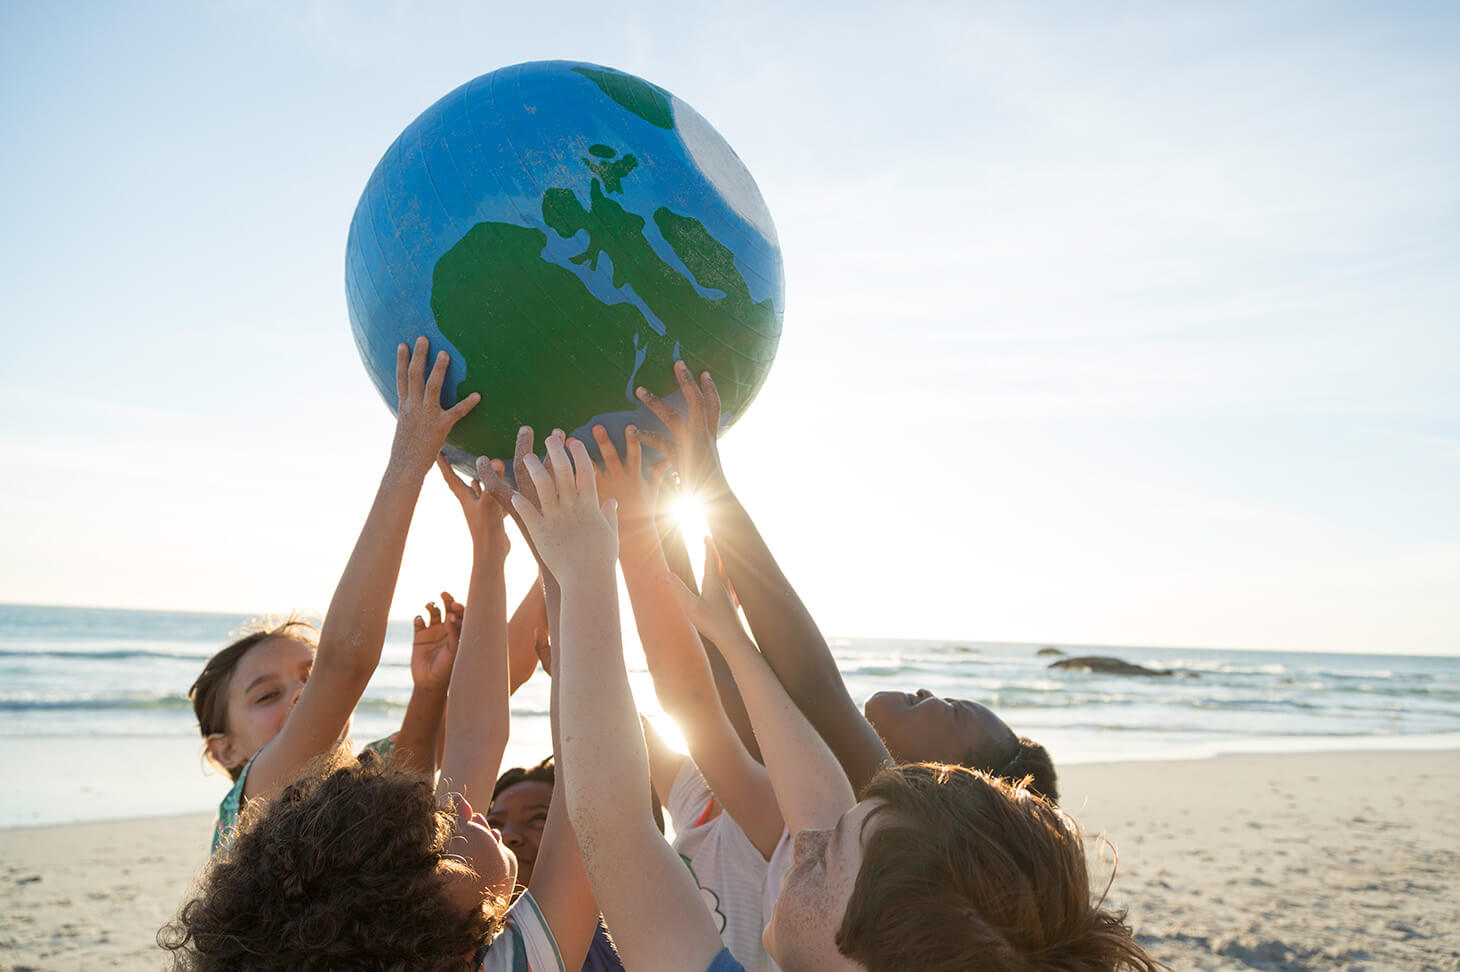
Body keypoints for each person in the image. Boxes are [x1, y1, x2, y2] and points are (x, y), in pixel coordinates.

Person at [504, 428, 1161, 972]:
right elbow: (819, 796)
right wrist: (730, 639)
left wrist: (581, 573)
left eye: (825, 853)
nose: (804, 837)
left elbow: (612, 822)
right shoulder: (853, 917)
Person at [635, 363, 1059, 802]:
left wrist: (705, 477)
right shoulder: (801, 779)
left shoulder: (870, 805)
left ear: (949, 776)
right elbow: (714, 677)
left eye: (954, 712)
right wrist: (662, 495)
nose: (929, 692)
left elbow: (817, 687)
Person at [191, 338, 480, 853]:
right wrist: (408, 460)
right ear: (224, 751)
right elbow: (343, 664)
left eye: (307, 674)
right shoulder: (249, 806)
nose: (301, 693)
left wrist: (562, 533)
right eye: (266, 694)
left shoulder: (363, 780)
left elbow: (495, 687)